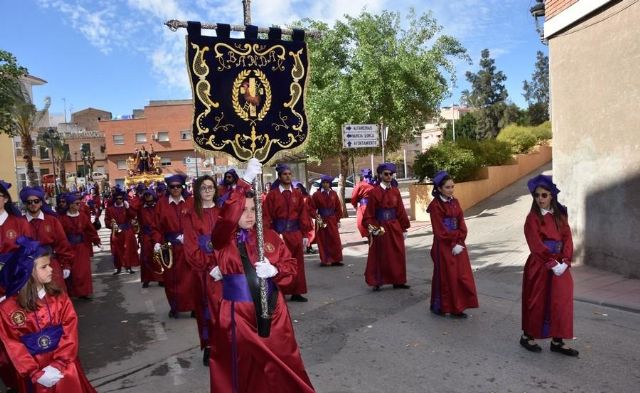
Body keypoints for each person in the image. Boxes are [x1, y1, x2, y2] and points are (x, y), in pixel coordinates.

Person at [209, 161, 315, 393]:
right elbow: (225, 218)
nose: (249, 215)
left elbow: (291, 266)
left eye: (253, 210)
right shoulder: (223, 239)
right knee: (241, 366)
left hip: (273, 311)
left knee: (282, 363)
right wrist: (243, 182)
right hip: (237, 312)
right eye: (243, 210)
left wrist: (275, 271)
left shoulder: (269, 236)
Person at [0, 237, 97, 393]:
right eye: (44, 267)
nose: (51, 269)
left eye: (49, 265)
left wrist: (59, 364)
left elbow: (69, 332)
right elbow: (13, 345)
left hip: (64, 365)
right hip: (33, 372)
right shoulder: (8, 309)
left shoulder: (60, 298)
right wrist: (33, 372)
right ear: (27, 272)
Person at [520, 174, 578, 357]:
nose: (540, 199)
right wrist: (551, 263)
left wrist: (566, 261)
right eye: (536, 195)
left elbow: (567, 238)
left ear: (552, 195)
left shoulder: (560, 215)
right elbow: (535, 244)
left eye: (544, 195)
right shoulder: (532, 218)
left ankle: (557, 340)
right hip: (540, 265)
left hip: (560, 263)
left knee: (561, 301)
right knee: (537, 301)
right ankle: (527, 336)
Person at [426, 171, 479, 318]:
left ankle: (459, 306)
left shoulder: (455, 201)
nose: (451, 190)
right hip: (444, 245)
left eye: (452, 187)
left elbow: (461, 221)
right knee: (447, 275)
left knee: (461, 275)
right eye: (448, 187)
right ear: (439, 188)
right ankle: (443, 305)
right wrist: (452, 242)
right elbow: (439, 230)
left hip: (458, 243)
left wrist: (460, 238)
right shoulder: (436, 206)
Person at [183, 175, 220, 366]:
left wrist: (226, 263)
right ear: (197, 191)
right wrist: (210, 266)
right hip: (204, 272)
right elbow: (190, 248)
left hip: (227, 269)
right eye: (203, 187)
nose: (207, 190)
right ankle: (209, 346)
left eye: (210, 187)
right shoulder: (191, 215)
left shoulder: (223, 211)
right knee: (207, 310)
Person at [0, 181, 33, 393]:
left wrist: (16, 285)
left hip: (14, 286)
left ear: (4, 198)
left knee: (17, 335)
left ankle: (21, 380)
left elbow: (28, 255)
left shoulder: (19, 223)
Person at [263, 164, 311, 302]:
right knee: (280, 264)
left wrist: (305, 234)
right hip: (279, 235)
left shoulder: (297, 193)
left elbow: (303, 214)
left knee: (297, 263)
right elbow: (266, 216)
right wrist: (272, 235)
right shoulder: (272, 195)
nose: (288, 176)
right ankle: (280, 293)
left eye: (290, 174)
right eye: (285, 174)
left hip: (295, 233)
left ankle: (297, 291)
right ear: (279, 176)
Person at [152, 174, 198, 318]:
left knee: (191, 279)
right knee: (171, 279)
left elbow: (198, 222)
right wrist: (157, 242)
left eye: (179, 186)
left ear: (182, 187)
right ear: (168, 188)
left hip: (189, 247)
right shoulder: (161, 203)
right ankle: (175, 306)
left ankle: (194, 307)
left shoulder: (191, 201)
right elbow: (156, 226)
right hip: (170, 249)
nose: (176, 189)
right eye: (172, 187)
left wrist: (190, 236)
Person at [363, 163, 410, 291]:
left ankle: (398, 280)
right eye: (386, 174)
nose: (389, 176)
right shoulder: (373, 193)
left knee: (398, 253)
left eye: (391, 174)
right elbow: (369, 214)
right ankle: (377, 280)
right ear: (380, 175)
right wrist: (374, 229)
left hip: (395, 226)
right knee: (380, 254)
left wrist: (404, 228)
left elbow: (400, 210)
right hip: (380, 227)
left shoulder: (395, 191)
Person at [20, 187, 73, 291]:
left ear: (41, 203)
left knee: (56, 296)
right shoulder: (19, 223)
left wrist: (66, 264)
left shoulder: (52, 221)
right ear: (25, 204)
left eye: (36, 201)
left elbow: (62, 243)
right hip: (28, 268)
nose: (33, 204)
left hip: (50, 264)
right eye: (29, 202)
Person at [58, 194, 101, 299]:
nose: (79, 205)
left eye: (79, 203)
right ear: (70, 205)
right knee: (71, 272)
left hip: (82, 248)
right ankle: (72, 293)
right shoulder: (62, 218)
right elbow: (59, 234)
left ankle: (83, 292)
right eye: (77, 203)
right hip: (68, 248)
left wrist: (96, 240)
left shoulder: (82, 216)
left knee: (83, 271)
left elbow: (90, 229)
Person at [104, 188, 139, 275]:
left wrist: (128, 208)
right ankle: (117, 268)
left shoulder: (126, 206)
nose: (119, 200)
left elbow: (133, 215)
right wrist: (111, 225)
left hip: (127, 231)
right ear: (114, 199)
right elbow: (106, 220)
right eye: (117, 199)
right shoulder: (110, 209)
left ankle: (128, 267)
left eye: (121, 198)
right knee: (116, 250)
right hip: (116, 232)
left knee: (128, 249)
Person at [311, 175, 343, 266]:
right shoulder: (316, 195)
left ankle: (336, 259)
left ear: (330, 184)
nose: (325, 184)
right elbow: (311, 208)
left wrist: (337, 219)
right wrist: (316, 216)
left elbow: (338, 207)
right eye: (324, 183)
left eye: (327, 183)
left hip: (332, 219)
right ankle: (325, 259)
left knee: (335, 239)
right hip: (322, 219)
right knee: (323, 240)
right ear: (321, 183)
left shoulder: (333, 194)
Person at [137, 189, 164, 288]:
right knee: (146, 257)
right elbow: (133, 212)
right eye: (147, 199)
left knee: (158, 256)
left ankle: (160, 278)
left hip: (157, 234)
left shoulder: (158, 207)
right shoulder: (141, 208)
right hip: (146, 235)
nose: (149, 202)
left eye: (150, 200)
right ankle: (146, 279)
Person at [351, 168, 375, 240]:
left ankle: (370, 237)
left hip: (364, 207)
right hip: (374, 206)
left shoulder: (360, 185)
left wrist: (355, 205)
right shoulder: (374, 184)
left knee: (362, 223)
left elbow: (354, 196)